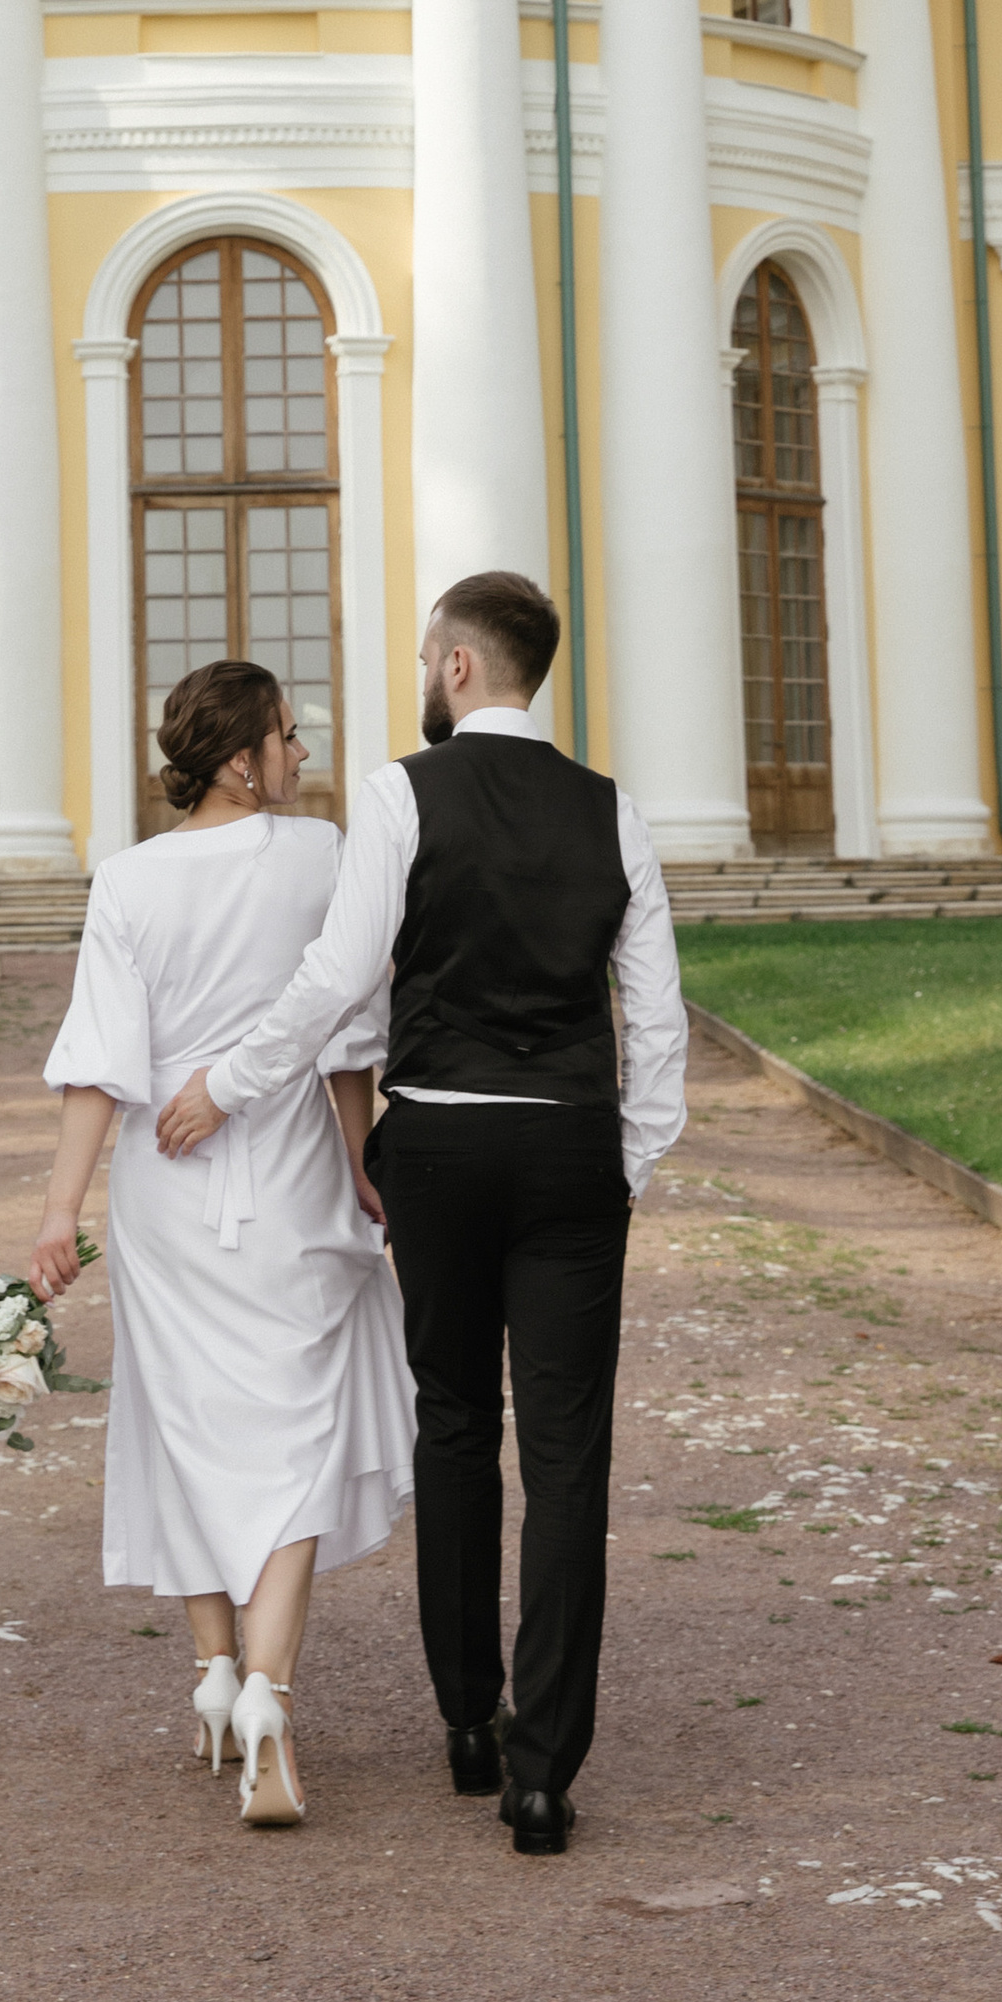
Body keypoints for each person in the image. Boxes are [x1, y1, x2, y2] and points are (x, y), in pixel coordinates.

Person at [155, 570, 687, 1857]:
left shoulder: (401, 794)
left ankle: (465, 1722)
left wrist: (227, 1083)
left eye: (419, 658)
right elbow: (656, 1021)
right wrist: (629, 1158)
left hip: (439, 1142)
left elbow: (342, 976)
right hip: (569, 1149)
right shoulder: (613, 814)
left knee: (454, 1424)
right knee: (568, 1465)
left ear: (455, 667)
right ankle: (544, 1770)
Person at [30, 656, 413, 1830]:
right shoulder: (320, 857)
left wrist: (59, 1213)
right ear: (242, 762)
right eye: (289, 738)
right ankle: (266, 1695)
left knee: (179, 1417)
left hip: (164, 1180)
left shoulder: (128, 881)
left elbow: (100, 1063)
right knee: (295, 1431)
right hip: (289, 1169)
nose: (303, 755)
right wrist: (360, 1160)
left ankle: (209, 1670)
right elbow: (346, 1033)